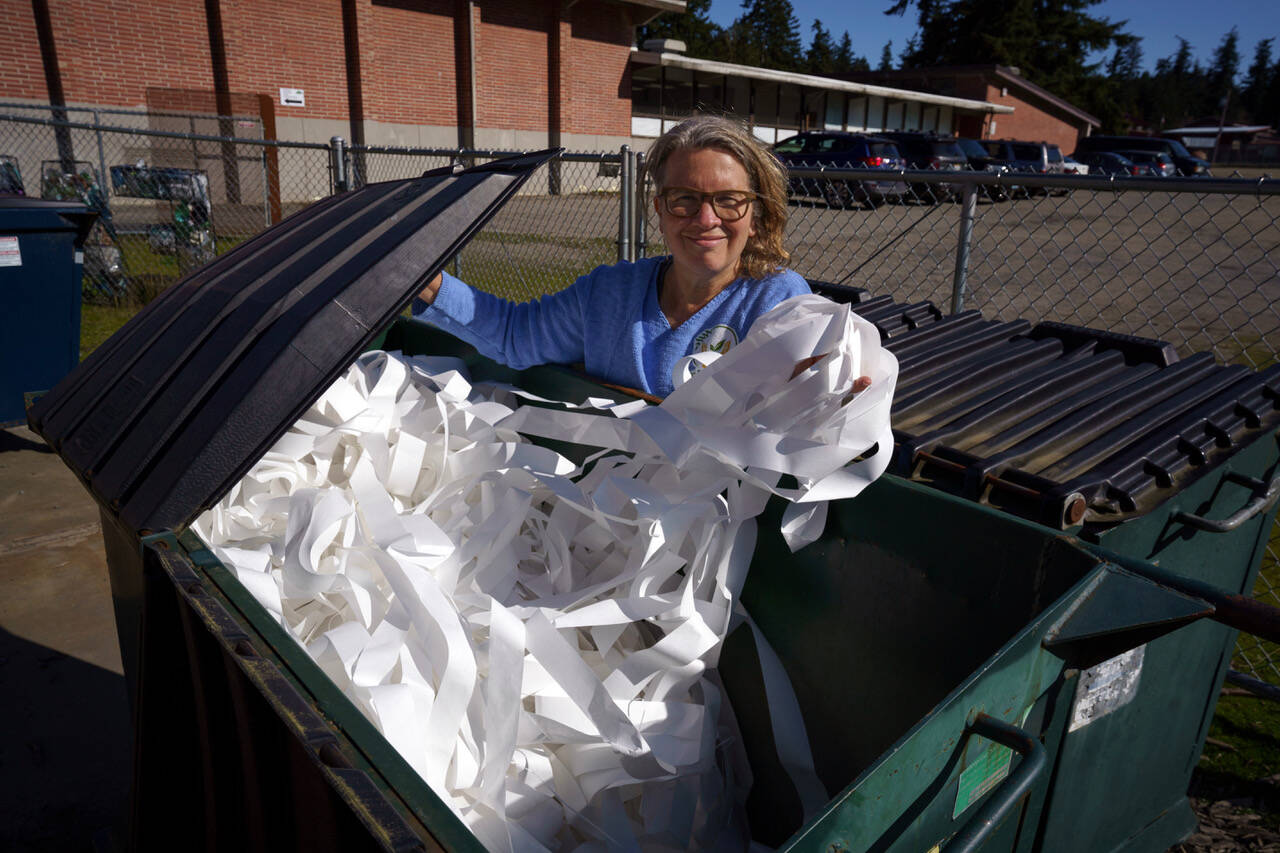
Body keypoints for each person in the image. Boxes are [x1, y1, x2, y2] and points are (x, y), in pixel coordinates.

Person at [412, 115, 817, 397]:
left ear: (754, 216)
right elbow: (514, 336)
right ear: (660, 212)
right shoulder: (609, 294)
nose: (706, 219)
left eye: (729, 200)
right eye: (684, 199)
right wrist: (422, 280)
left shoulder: (778, 302)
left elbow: (811, 410)